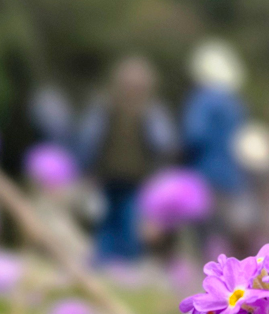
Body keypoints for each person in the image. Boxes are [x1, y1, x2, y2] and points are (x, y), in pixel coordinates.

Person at [80, 56, 176, 262]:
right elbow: (164, 144)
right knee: (116, 222)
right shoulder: (140, 108)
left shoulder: (120, 107)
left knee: (120, 222)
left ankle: (115, 264)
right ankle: (113, 264)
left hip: (130, 178)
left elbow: (89, 141)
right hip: (117, 177)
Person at [181, 40, 252, 247]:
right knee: (226, 230)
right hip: (231, 174)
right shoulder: (236, 103)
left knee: (201, 230)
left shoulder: (203, 99)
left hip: (204, 170)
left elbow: (194, 135)